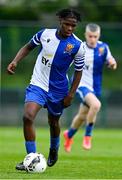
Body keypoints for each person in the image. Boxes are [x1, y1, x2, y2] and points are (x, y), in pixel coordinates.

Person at [7, 8, 85, 169]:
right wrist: (15, 61)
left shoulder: (77, 46)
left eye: (73, 26)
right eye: (67, 24)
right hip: (38, 84)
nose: (70, 28)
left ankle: (54, 149)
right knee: (28, 117)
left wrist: (71, 94)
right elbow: (28, 47)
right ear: (60, 22)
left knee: (53, 122)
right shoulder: (45, 34)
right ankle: (31, 157)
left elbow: (78, 72)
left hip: (59, 90)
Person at [63, 23, 117, 153]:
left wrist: (112, 64)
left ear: (99, 36)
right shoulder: (79, 47)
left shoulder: (103, 48)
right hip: (80, 85)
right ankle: (88, 136)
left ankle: (68, 135)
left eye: (95, 36)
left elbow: (112, 61)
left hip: (95, 88)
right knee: (96, 105)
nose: (93, 39)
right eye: (90, 36)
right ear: (85, 35)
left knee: (82, 116)